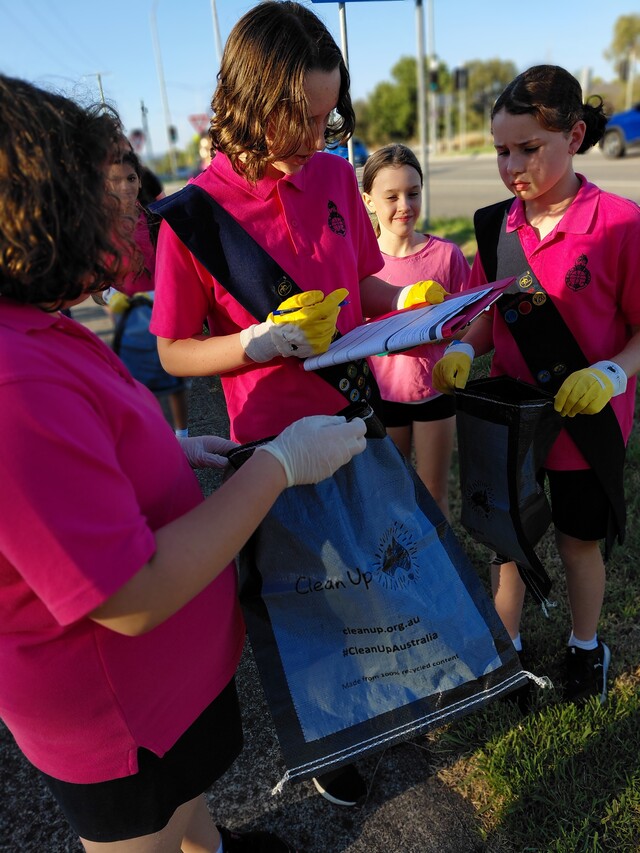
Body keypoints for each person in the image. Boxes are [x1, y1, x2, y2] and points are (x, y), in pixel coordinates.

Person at [0, 73, 368, 853]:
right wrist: (278, 462)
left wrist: (164, 450)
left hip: (164, 690)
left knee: (186, 809)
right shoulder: (11, 381)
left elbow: (71, 456)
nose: (127, 205)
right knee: (148, 829)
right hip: (121, 717)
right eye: (97, 186)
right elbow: (130, 596)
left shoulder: (35, 327)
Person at [149, 0, 445, 807]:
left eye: (329, 115)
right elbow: (173, 348)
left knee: (374, 570)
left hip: (354, 417)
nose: (321, 136)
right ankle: (332, 744)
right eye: (305, 118)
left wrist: (408, 298)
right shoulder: (191, 217)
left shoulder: (331, 174)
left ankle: (383, 697)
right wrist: (256, 342)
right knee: (306, 599)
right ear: (253, 100)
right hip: (273, 452)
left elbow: (364, 282)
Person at [432, 65, 640, 705]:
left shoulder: (619, 223)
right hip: (512, 416)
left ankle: (585, 648)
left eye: (528, 149)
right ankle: (510, 646)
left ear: (575, 136)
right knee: (508, 538)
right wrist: (465, 349)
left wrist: (612, 372)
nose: (512, 165)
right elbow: (493, 314)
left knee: (580, 541)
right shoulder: (497, 226)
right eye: (501, 150)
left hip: (586, 420)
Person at [361, 144, 470, 518]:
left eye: (413, 192)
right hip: (381, 398)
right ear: (369, 201)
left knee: (433, 494)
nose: (404, 205)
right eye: (391, 196)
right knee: (390, 496)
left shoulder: (447, 256)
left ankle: (437, 570)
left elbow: (465, 323)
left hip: (435, 394)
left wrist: (453, 338)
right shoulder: (363, 268)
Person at [104, 149, 191, 437]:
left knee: (175, 380)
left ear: (140, 182)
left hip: (164, 313)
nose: (125, 187)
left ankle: (182, 435)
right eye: (116, 180)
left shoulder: (156, 218)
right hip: (129, 321)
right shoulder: (101, 230)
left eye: (131, 178)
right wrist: (110, 298)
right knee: (140, 385)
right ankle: (154, 436)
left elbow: (178, 259)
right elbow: (95, 283)